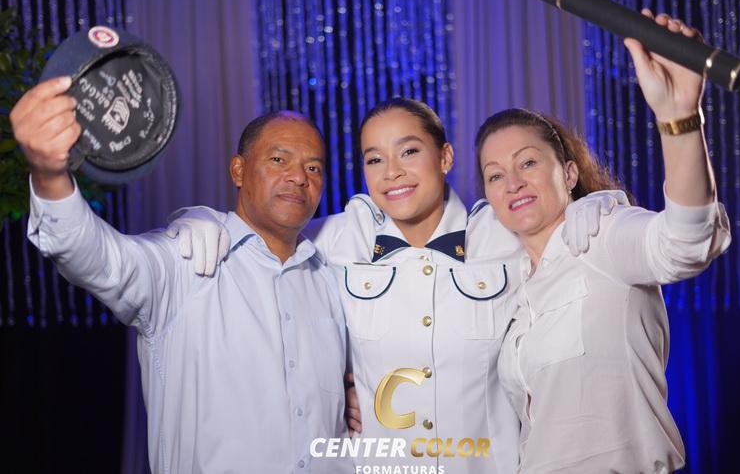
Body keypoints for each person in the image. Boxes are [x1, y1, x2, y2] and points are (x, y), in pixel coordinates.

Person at [170, 98, 627, 472]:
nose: (392, 171)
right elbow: (269, 233)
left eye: (408, 151)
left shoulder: (501, 235)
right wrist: (203, 220)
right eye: (375, 159)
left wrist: (593, 205)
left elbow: (555, 235)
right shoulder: (340, 239)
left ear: (444, 157)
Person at [10, 85, 351, 474]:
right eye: (279, 159)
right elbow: (98, 258)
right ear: (238, 170)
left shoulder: (329, 279)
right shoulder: (185, 260)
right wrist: (50, 174)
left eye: (313, 168)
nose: (299, 177)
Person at [476, 11, 731, 473]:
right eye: (495, 176)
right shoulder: (511, 289)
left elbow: (685, 242)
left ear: (569, 173)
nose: (512, 183)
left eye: (528, 162)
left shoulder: (602, 234)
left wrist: (679, 118)